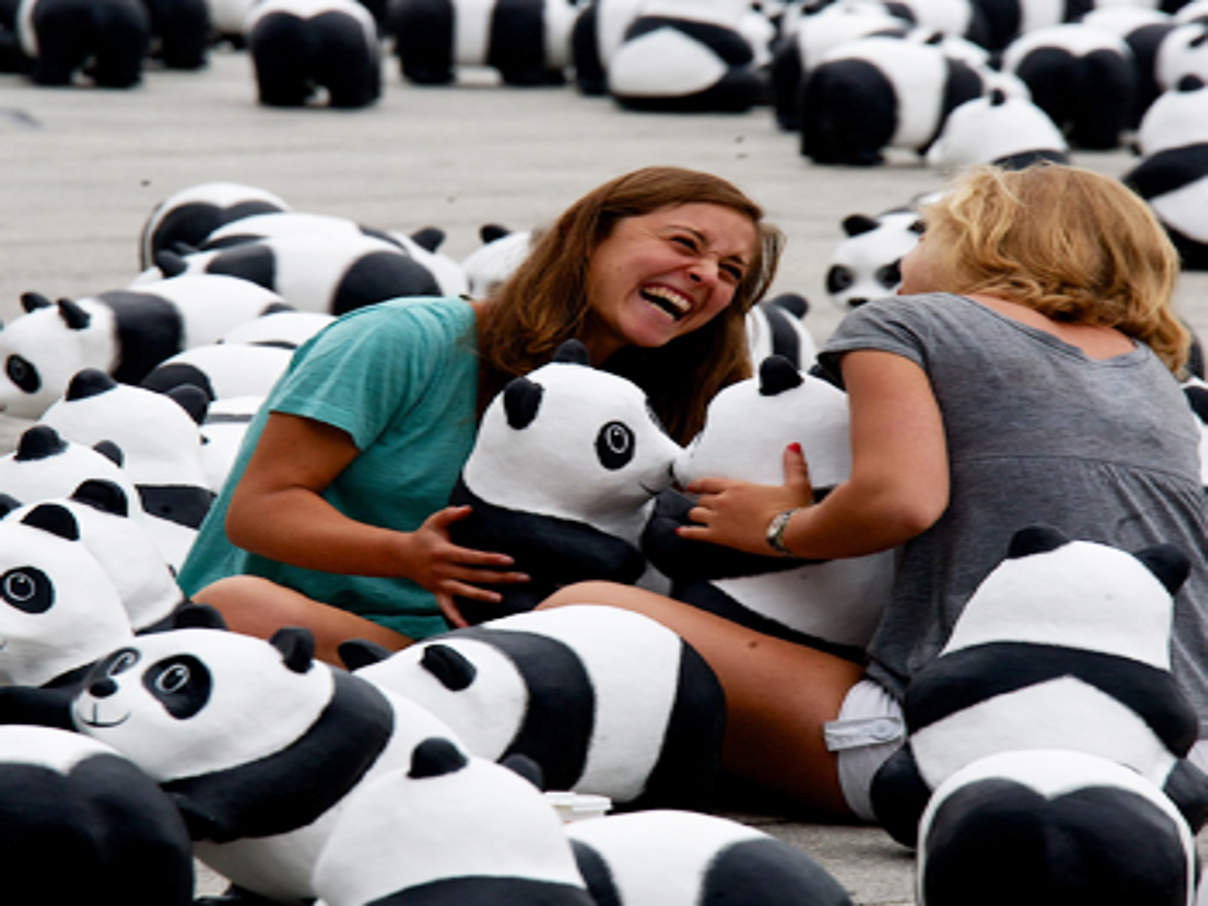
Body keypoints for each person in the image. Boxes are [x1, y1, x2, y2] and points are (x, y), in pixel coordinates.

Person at [540, 162, 1208, 821]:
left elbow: (902, 499)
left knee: (586, 606)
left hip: (960, 743)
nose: (907, 254)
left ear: (978, 241)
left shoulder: (904, 326)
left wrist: (780, 528)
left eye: (924, 232)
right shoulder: (1147, 369)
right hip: (1170, 751)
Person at [175, 166, 784, 664]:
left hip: (508, 649)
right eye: (684, 244)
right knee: (239, 605)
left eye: (731, 273)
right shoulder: (403, 339)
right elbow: (260, 512)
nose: (705, 274)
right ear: (590, 235)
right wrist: (407, 555)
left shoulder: (663, 406)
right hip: (331, 632)